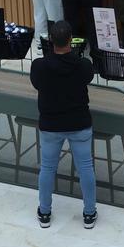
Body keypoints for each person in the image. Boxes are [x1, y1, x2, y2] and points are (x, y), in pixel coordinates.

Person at [31, 20, 98, 230]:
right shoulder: (83, 65)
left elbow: (37, 84)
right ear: (71, 40)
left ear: (50, 40)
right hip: (79, 123)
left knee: (48, 168)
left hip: (50, 124)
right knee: (85, 168)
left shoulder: (39, 66)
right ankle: (89, 213)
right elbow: (87, 77)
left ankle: (44, 212)